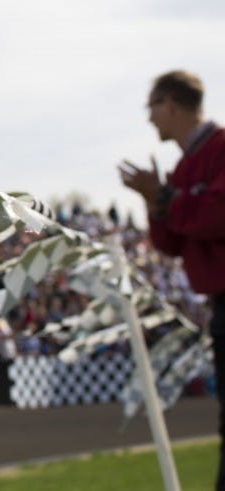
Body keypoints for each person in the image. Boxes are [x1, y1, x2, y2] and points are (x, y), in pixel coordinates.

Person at [119, 69, 225, 489]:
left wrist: (164, 197)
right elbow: (172, 244)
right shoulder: (184, 167)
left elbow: (216, 216)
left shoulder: (221, 147)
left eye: (152, 107)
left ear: (172, 105)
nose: (149, 118)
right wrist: (154, 199)